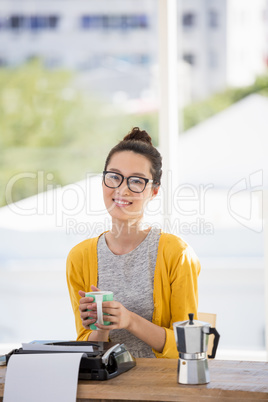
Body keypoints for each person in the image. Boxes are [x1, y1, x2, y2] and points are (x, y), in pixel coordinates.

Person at [66, 127, 200, 359]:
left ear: (154, 191)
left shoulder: (177, 254)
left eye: (136, 181)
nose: (121, 189)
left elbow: (189, 346)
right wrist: (101, 327)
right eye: (114, 177)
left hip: (160, 389)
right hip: (104, 388)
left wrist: (129, 320)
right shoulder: (79, 257)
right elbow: (85, 346)